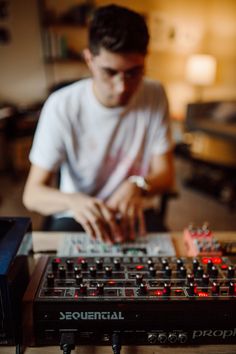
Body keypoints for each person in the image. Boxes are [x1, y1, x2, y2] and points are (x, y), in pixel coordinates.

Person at [23, 4, 174, 243]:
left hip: (136, 209)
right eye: (110, 72)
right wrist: (73, 200)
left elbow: (166, 174)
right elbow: (32, 195)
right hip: (76, 214)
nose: (122, 87)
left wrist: (138, 184)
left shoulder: (155, 93)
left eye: (134, 72)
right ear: (89, 60)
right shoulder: (61, 105)